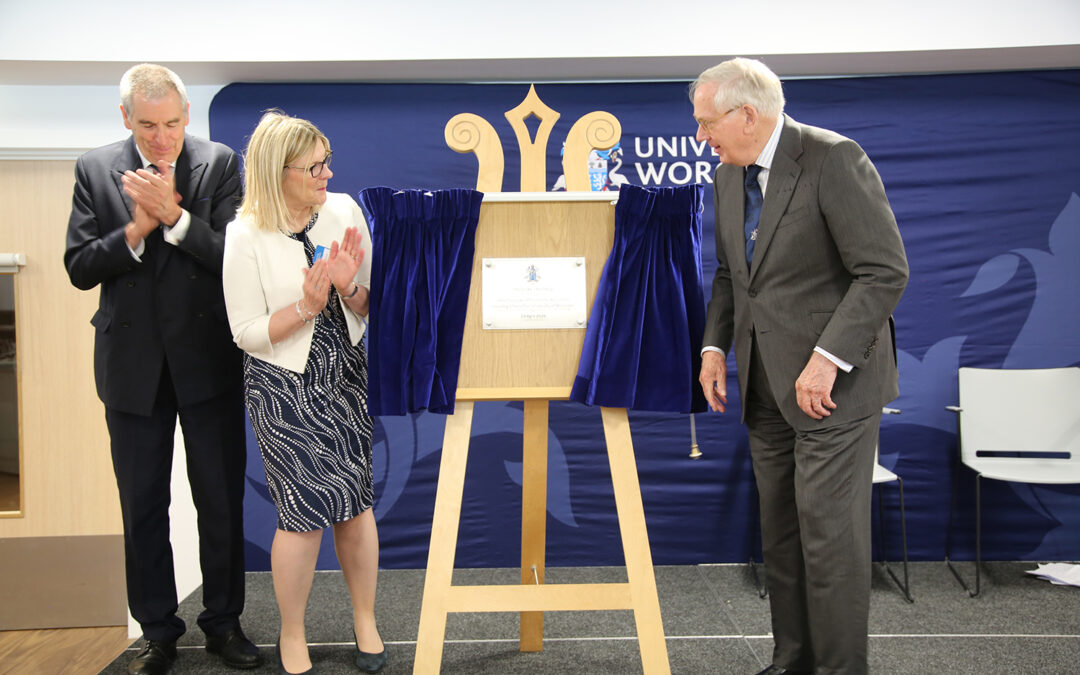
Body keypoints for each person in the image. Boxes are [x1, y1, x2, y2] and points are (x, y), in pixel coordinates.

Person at [692, 58, 909, 675]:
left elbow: (884, 271)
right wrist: (714, 346)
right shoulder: (727, 177)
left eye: (707, 122)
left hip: (832, 391)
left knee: (830, 541)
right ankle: (792, 662)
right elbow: (734, 277)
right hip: (766, 389)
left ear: (746, 115)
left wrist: (827, 358)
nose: (702, 135)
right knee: (782, 538)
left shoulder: (832, 158)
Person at [63, 64, 260, 674]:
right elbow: (78, 266)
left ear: (187, 115)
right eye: (148, 125)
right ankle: (157, 632)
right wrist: (136, 229)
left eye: (172, 123)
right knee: (142, 505)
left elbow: (235, 256)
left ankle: (224, 625)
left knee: (220, 501)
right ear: (126, 118)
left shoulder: (221, 163)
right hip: (132, 368)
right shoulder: (95, 169)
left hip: (208, 361)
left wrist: (173, 220)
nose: (162, 138)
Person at [222, 111, 385, 675]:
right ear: (277, 170)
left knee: (355, 504)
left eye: (327, 161)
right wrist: (306, 308)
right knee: (302, 513)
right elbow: (244, 331)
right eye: (314, 166)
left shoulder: (343, 211)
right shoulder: (244, 233)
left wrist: (349, 288)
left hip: (343, 373)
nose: (326, 173)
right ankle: (293, 634)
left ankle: (365, 619)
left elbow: (369, 303)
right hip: (282, 383)